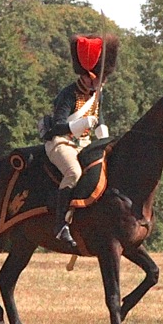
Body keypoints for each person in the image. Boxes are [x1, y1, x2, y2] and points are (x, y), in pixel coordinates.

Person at [41, 33, 118, 248]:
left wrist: (106, 141)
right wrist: (81, 125)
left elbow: (99, 119)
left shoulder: (97, 94)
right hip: (61, 142)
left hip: (84, 144)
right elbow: (57, 126)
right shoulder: (68, 94)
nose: (100, 83)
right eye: (97, 79)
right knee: (73, 172)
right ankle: (60, 225)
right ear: (86, 76)